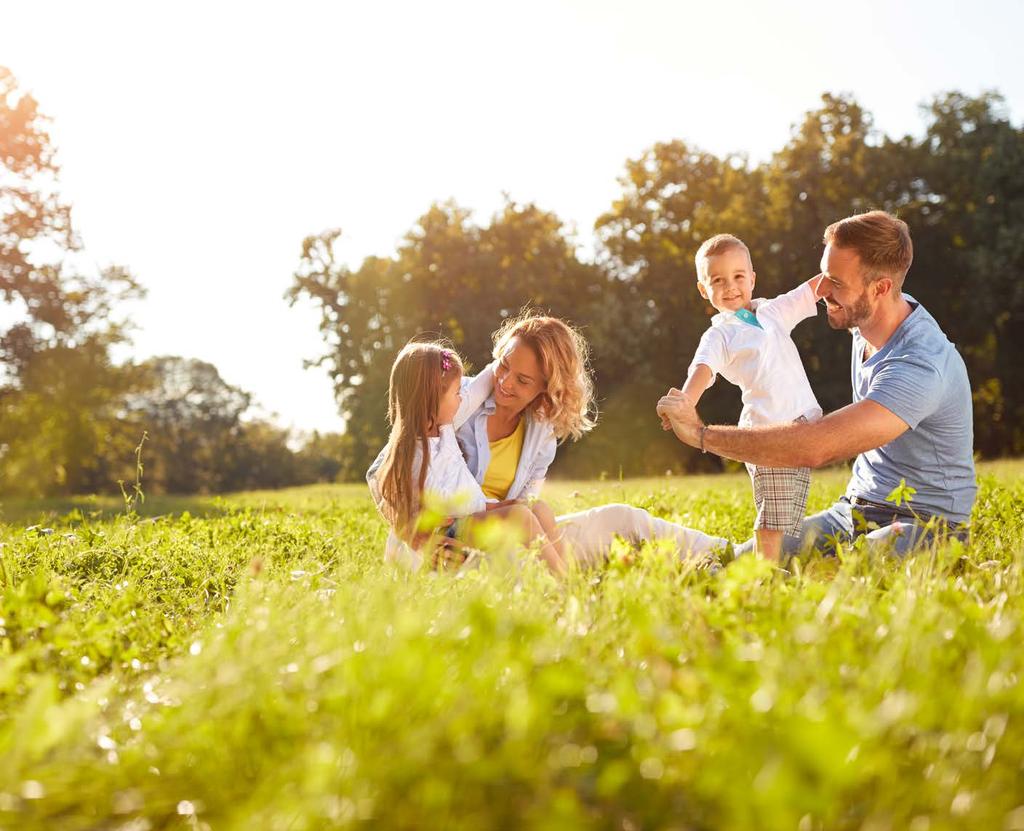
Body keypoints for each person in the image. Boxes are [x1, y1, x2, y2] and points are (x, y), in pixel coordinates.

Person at [657, 211, 977, 557]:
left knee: (855, 566)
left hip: (926, 523)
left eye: (835, 283)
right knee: (747, 562)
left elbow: (814, 447)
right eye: (824, 276)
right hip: (851, 513)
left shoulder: (921, 363)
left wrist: (701, 436)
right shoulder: (867, 319)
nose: (824, 291)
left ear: (881, 288)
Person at [453, 312, 728, 568]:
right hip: (455, 544)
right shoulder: (455, 401)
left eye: (523, 380)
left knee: (622, 518)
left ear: (546, 387)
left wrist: (546, 549)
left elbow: (528, 506)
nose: (506, 382)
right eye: (503, 365)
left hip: (513, 539)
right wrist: (421, 535)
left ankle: (728, 555)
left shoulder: (541, 429)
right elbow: (413, 470)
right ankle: (563, 586)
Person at [664, 233, 821, 561]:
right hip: (767, 431)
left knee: (788, 510)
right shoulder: (720, 333)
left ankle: (772, 564)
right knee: (773, 516)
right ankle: (764, 575)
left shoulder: (772, 311)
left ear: (752, 278)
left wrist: (847, 272)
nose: (730, 286)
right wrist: (686, 402)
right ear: (704, 290)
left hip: (801, 426)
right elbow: (703, 371)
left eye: (738, 276)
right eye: (718, 280)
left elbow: (811, 290)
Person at [367, 340, 567, 575]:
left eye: (523, 379)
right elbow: (383, 476)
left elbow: (483, 382)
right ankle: (566, 585)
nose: (462, 397)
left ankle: (570, 574)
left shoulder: (444, 430)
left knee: (538, 508)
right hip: (447, 531)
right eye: (456, 393)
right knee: (521, 516)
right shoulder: (413, 449)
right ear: (432, 400)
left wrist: (495, 507)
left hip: (472, 513)